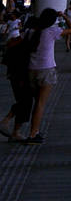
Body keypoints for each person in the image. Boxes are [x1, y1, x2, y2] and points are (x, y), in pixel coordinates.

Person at [25, 8, 62, 143]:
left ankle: (34, 131)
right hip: (46, 70)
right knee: (40, 104)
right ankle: (33, 133)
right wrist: (63, 16)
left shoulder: (31, 32)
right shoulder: (52, 31)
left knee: (36, 102)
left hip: (31, 70)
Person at [0, 13, 33, 142]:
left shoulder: (16, 41)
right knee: (25, 101)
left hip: (15, 75)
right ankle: (10, 125)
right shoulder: (21, 42)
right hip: (20, 76)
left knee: (24, 101)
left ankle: (12, 127)